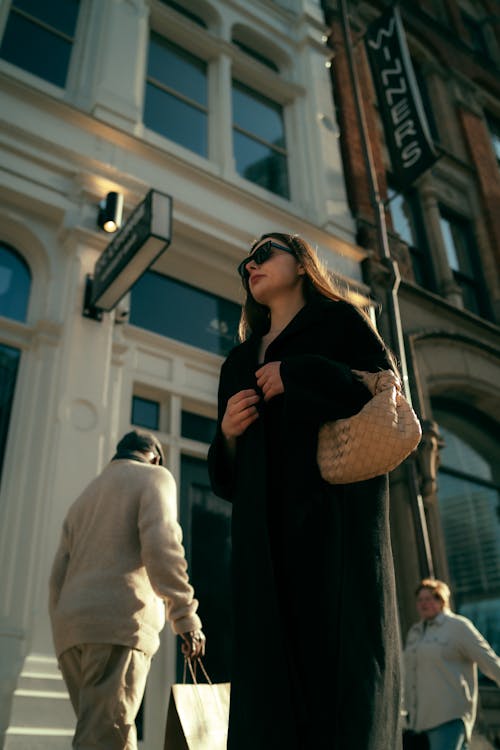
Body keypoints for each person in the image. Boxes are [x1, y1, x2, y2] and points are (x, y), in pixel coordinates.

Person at [207, 232, 402, 749]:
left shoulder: (339, 322)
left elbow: (385, 397)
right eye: (246, 261)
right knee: (268, 691)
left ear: (301, 262)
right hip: (262, 548)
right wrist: (226, 434)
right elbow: (226, 478)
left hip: (334, 534)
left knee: (334, 681)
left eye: (265, 252)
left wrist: (301, 372)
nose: (252, 264)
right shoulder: (238, 360)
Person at [49, 429, 205, 750]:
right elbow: (163, 547)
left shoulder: (84, 498)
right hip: (118, 626)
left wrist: (64, 632)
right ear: (156, 457)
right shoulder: (154, 477)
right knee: (105, 737)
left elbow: (56, 580)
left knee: (111, 734)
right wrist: (186, 617)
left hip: (71, 636)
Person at [403, 578, 500, 750]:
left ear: (441, 601)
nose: (423, 604)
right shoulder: (414, 633)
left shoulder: (458, 627)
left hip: (449, 717)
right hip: (418, 723)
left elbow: (489, 661)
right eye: (420, 600)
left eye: (429, 599)